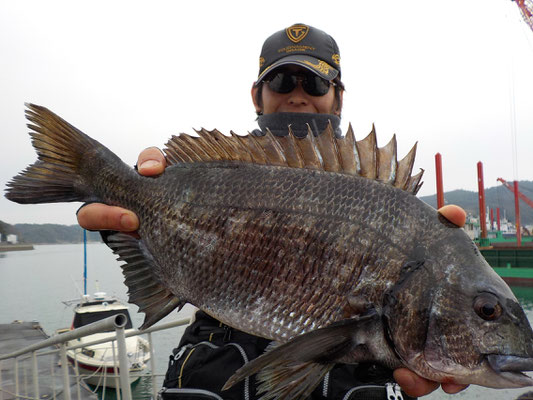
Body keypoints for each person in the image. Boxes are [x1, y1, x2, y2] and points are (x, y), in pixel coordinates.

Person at [78, 23, 468, 399]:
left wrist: (449, 351)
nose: (297, 95)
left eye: (314, 83)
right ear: (256, 94)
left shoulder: (389, 200)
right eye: (281, 81)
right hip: (216, 374)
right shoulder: (220, 173)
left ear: (339, 96)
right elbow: (149, 220)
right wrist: (121, 216)